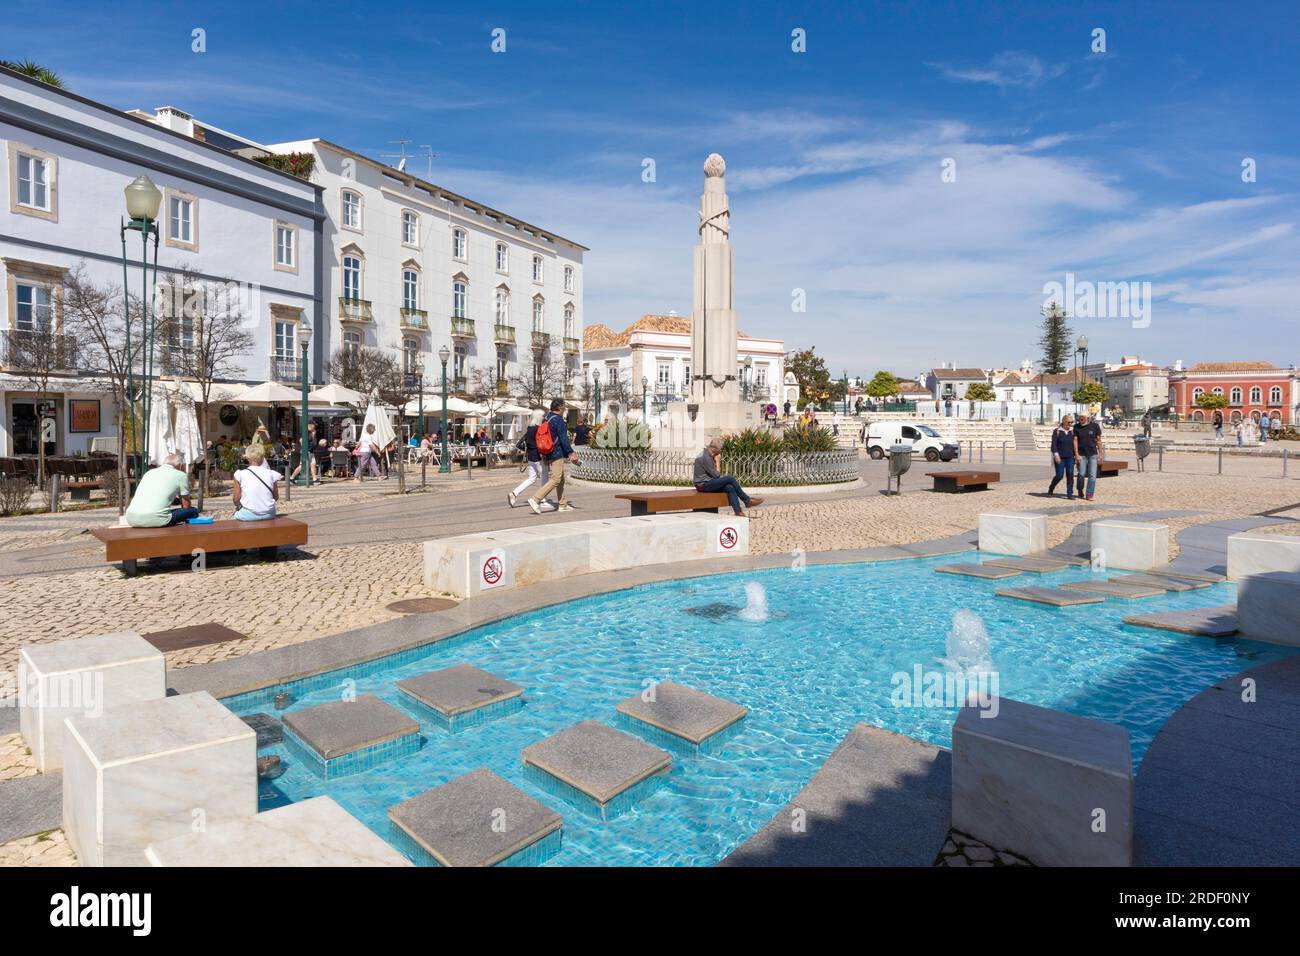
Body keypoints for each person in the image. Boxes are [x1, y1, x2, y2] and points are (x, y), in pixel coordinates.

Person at [528, 399, 579, 514]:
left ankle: (562, 504)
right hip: (557, 452)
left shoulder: (548, 418)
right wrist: (571, 452)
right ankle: (535, 499)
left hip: (549, 450)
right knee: (556, 479)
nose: (565, 409)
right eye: (564, 407)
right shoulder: (559, 420)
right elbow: (563, 439)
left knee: (560, 478)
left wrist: (545, 455)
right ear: (559, 408)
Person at [694, 436, 763, 517]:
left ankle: (738, 512)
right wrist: (718, 461)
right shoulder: (705, 458)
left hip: (708, 482)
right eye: (720, 449)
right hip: (702, 485)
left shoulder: (708, 454)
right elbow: (716, 476)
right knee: (730, 478)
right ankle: (747, 500)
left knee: (730, 487)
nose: (721, 451)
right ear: (714, 449)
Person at [125, 453, 197, 527]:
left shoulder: (149, 473)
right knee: (193, 511)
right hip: (156, 520)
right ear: (181, 466)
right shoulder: (181, 475)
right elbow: (185, 506)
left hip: (131, 518)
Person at [509, 410, 556, 510]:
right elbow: (541, 443)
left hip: (531, 456)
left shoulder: (530, 428)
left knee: (532, 478)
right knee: (545, 477)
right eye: (543, 416)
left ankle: (514, 493)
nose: (545, 417)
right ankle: (543, 500)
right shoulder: (539, 428)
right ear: (539, 417)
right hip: (538, 456)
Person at [232, 444, 281, 521]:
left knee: (236, 514)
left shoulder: (240, 474)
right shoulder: (271, 474)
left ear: (247, 458)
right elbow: (276, 497)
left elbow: (236, 499)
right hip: (269, 514)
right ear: (262, 458)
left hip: (248, 514)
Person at [1073, 410, 1104, 501]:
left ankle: (1089, 494)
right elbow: (1075, 441)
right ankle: (1079, 489)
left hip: (1093, 454)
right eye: (1079, 417)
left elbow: (1098, 441)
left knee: (1092, 475)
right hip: (1081, 455)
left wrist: (1100, 454)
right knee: (1081, 474)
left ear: (1088, 418)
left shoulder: (1095, 426)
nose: (1080, 419)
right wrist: (1076, 454)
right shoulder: (1076, 427)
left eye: (1082, 417)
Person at [1048, 415, 1078, 499]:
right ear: (1064, 421)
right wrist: (1056, 455)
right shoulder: (1057, 431)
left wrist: (1076, 456)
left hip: (1070, 457)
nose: (1070, 424)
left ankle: (1069, 493)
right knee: (1059, 475)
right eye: (1069, 422)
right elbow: (1053, 445)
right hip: (1060, 457)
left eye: (1072, 422)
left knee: (1070, 474)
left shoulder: (1072, 432)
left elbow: (1076, 444)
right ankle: (1052, 486)